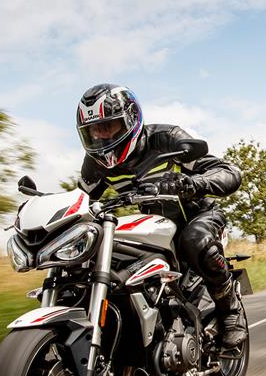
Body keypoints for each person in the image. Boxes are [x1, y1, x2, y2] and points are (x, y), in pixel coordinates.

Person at [75, 83, 247, 348]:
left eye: (109, 128)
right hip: (155, 229)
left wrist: (193, 184)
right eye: (94, 132)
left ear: (130, 120)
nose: (102, 139)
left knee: (194, 239)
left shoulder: (166, 139)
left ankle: (230, 310)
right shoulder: (95, 164)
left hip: (197, 217)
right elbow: (82, 201)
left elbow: (229, 172)